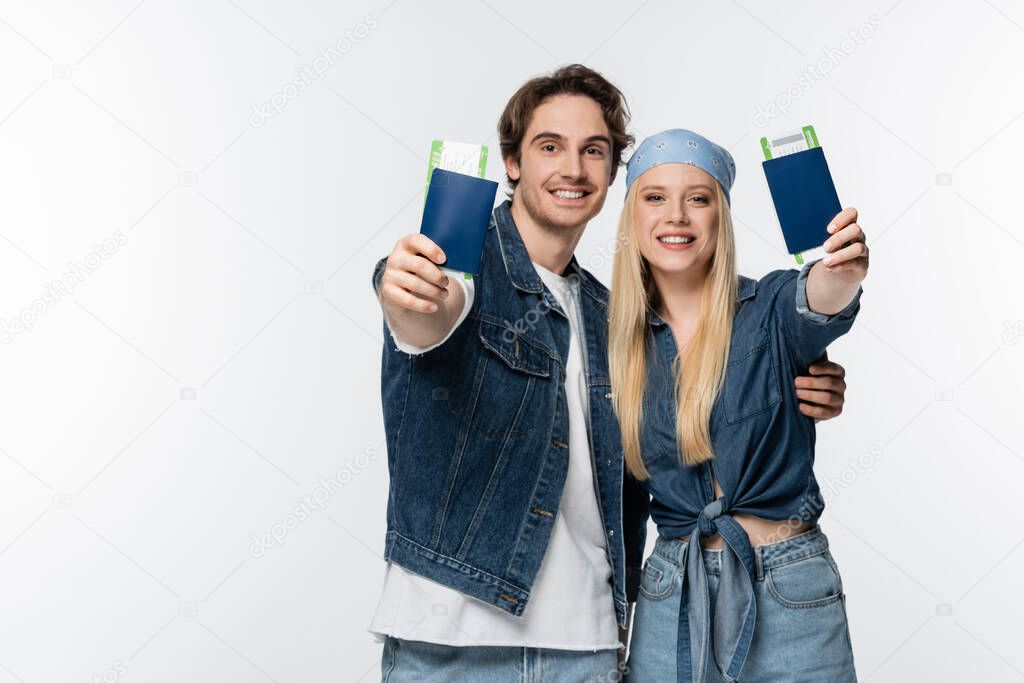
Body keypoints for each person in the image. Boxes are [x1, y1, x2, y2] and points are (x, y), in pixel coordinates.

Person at [368, 66, 851, 681]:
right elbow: (426, 319)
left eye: (592, 150)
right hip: (454, 639)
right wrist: (410, 299)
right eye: (550, 147)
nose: (572, 168)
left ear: (608, 175)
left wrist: (801, 375)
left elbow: (791, 320)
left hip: (592, 642)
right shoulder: (458, 270)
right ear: (512, 162)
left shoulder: (613, 320)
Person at [610, 129, 866, 682]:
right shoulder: (615, 343)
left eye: (698, 198)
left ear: (720, 217)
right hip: (669, 592)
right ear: (631, 217)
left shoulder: (770, 306)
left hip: (787, 585)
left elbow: (821, 298)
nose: (676, 215)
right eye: (655, 197)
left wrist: (842, 268)